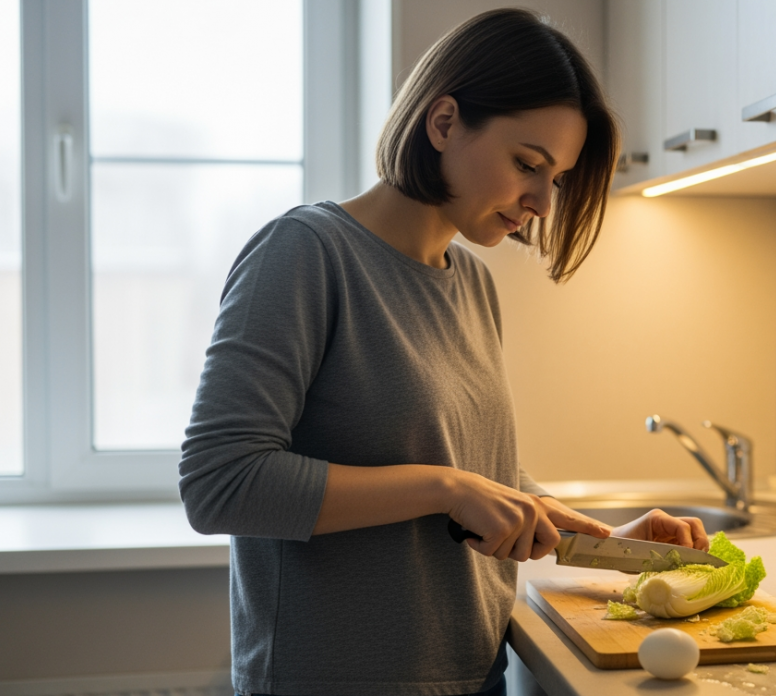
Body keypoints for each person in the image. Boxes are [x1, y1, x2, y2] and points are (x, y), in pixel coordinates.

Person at [179, 9, 708, 696]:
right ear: (444, 122)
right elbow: (219, 482)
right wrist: (445, 486)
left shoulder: (473, 284)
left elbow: (480, 471)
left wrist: (611, 540)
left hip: (471, 673)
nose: (544, 203)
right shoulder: (306, 253)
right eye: (528, 164)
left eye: (558, 178)